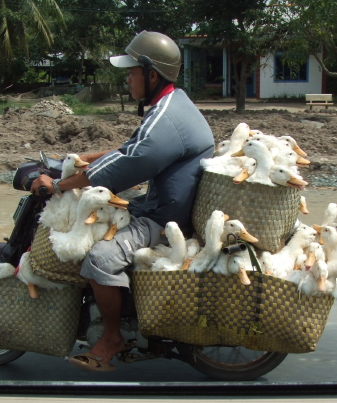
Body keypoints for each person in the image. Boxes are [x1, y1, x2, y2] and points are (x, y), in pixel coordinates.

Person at [31, 31, 215, 372]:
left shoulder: (166, 118)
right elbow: (128, 150)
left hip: (164, 219)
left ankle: (112, 337)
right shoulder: (171, 106)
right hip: (160, 206)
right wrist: (77, 159)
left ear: (151, 74)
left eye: (131, 71)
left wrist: (57, 184)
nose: (127, 78)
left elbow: (128, 164)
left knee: (100, 257)